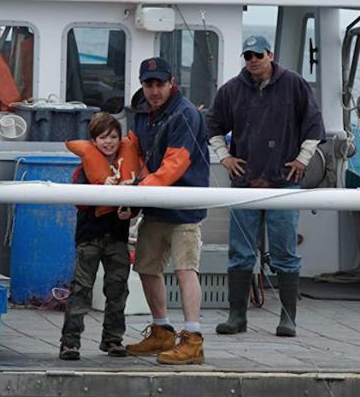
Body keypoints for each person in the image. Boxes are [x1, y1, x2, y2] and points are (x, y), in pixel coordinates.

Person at [207, 35, 325, 337]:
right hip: (244, 183)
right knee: (240, 252)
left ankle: (288, 319)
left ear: (270, 54)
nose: (253, 60)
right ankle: (237, 317)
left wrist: (302, 159)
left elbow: (313, 124)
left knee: (285, 252)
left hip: (283, 184)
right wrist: (224, 157)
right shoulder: (232, 89)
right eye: (247, 55)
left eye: (258, 54)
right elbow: (213, 125)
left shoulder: (295, 84)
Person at [125, 57, 210, 365]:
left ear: (171, 82)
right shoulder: (140, 111)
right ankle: (161, 330)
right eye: (149, 84)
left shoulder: (186, 114)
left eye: (160, 84)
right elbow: (133, 150)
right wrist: (135, 187)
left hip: (184, 207)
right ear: (142, 85)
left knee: (186, 269)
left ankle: (193, 338)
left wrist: (138, 190)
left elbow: (177, 163)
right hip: (155, 205)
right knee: (147, 267)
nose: (154, 90)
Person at [58, 113, 138, 360]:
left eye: (113, 136)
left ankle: (113, 339)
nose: (109, 142)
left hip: (117, 237)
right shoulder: (85, 169)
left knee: (117, 289)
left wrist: (131, 211)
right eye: (103, 137)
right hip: (89, 237)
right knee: (81, 289)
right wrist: (102, 188)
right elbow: (79, 200)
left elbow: (140, 198)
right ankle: (69, 342)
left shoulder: (129, 167)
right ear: (93, 141)